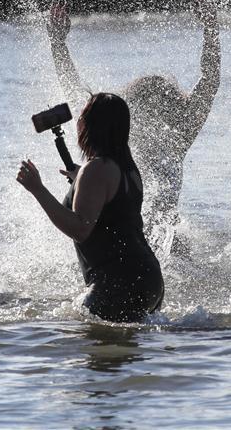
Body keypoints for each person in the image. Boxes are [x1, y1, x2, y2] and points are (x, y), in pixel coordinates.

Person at [44, 0, 220, 247]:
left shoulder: (170, 136)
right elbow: (210, 80)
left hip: (140, 238)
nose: (155, 109)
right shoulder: (171, 137)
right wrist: (210, 28)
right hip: (155, 239)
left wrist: (58, 44)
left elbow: (75, 90)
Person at [16, 93, 164, 322]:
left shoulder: (96, 169)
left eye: (83, 116)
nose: (78, 122)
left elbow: (80, 228)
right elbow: (115, 211)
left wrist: (38, 189)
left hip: (118, 282)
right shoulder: (128, 168)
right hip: (149, 280)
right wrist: (80, 179)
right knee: (125, 351)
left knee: (78, 341)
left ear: (92, 126)